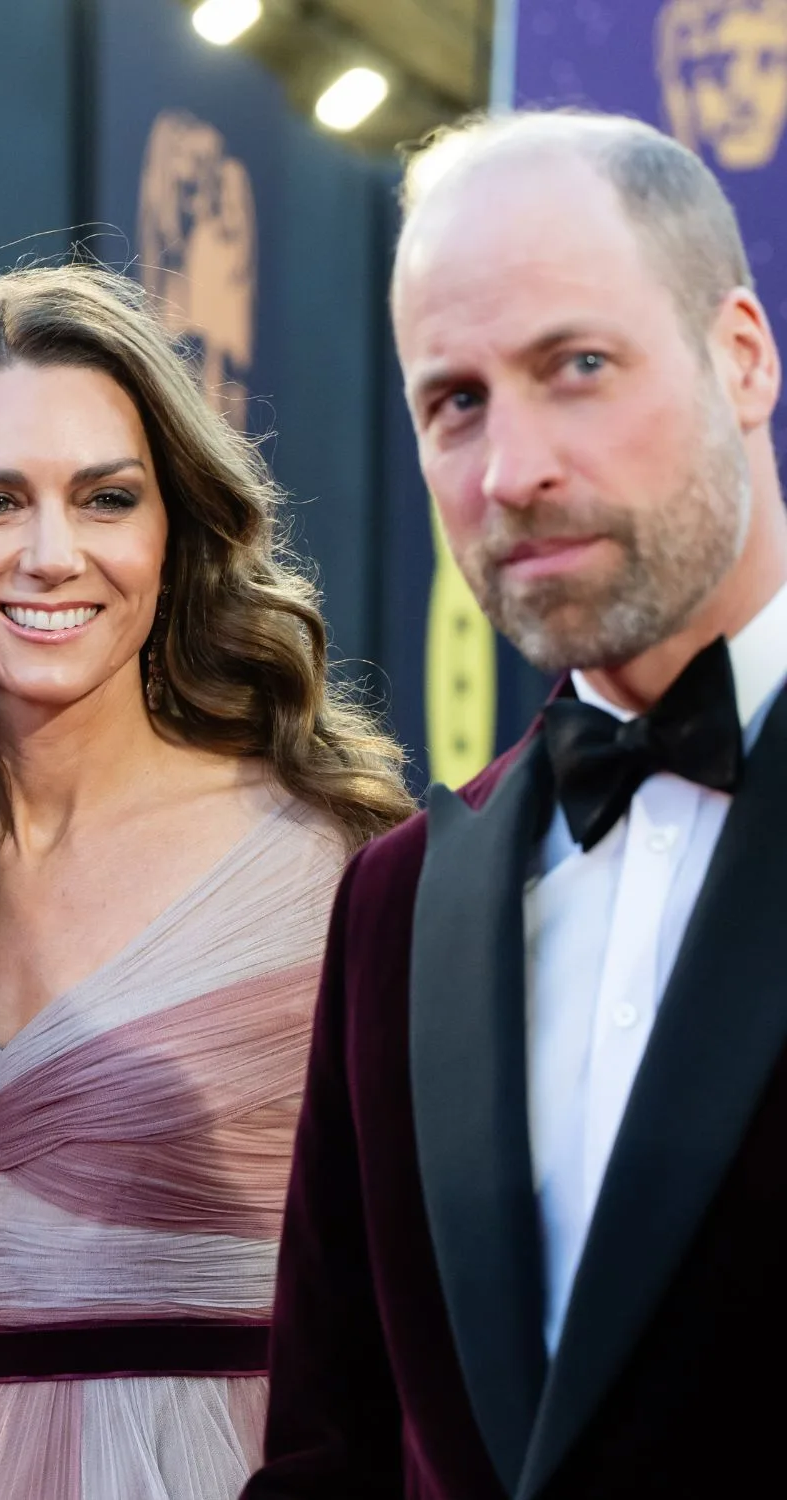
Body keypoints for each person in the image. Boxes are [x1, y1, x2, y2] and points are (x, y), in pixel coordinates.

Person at [0, 262, 413, 1500]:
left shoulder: (331, 867)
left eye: (106, 497)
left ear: (173, 529)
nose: (52, 553)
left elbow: (427, 1323)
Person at [243, 108, 787, 1499]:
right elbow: (328, 1443)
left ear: (742, 358)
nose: (513, 470)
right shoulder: (399, 901)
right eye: (457, 401)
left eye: (579, 366)